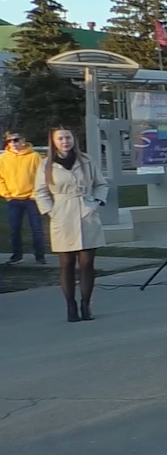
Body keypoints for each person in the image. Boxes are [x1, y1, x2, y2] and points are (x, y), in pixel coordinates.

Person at [33, 127, 107, 322]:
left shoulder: (86, 160)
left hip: (86, 211)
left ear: (74, 139)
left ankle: (86, 304)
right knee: (66, 263)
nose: (65, 141)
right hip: (62, 213)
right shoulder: (46, 164)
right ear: (54, 142)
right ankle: (70, 305)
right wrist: (50, 211)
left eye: (68, 137)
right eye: (60, 138)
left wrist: (96, 202)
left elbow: (101, 184)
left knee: (87, 262)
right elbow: (40, 191)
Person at [1, 132, 47, 265]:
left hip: (31, 199)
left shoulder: (34, 156)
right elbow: (1, 178)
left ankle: (40, 256)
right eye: (10, 141)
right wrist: (7, 195)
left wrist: (34, 193)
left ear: (23, 141)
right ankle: (16, 255)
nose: (13, 143)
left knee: (36, 228)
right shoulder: (4, 158)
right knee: (14, 228)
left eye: (16, 140)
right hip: (13, 199)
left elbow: (41, 176)